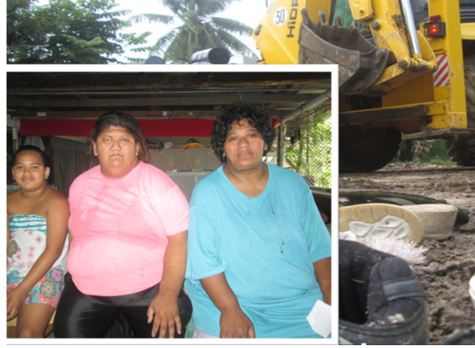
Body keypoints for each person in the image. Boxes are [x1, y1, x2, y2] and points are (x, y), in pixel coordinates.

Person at [185, 102, 331, 338]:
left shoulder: (293, 184)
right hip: (232, 305)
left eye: (251, 134)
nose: (243, 144)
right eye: (233, 138)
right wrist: (230, 309)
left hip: (300, 308)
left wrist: (330, 294)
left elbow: (319, 247)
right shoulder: (207, 192)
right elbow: (204, 261)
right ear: (222, 148)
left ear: (264, 142)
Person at [53, 111, 191, 338]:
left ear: (137, 147)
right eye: (107, 139)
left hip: (149, 291)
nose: (115, 146)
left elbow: (179, 240)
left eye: (124, 140)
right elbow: (77, 233)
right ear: (95, 147)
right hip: (86, 289)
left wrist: (168, 295)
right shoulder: (80, 184)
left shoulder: (156, 183)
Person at [7, 145, 70, 338]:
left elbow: (54, 250)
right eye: (20, 167)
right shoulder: (7, 201)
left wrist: (21, 290)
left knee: (27, 334)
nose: (26, 172)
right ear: (13, 172)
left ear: (46, 172)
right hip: (13, 270)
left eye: (34, 167)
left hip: (47, 272)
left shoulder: (57, 202)